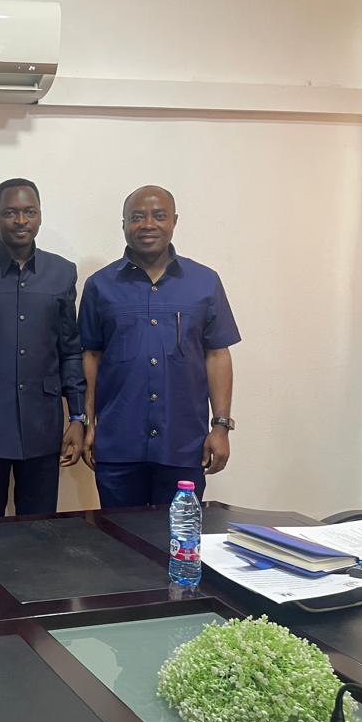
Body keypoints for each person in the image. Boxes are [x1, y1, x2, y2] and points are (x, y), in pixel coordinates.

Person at [78, 185, 240, 506]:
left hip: (184, 444)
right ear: (124, 224)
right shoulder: (99, 286)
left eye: (158, 216)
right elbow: (91, 356)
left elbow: (217, 354)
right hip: (118, 443)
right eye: (137, 217)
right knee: (118, 534)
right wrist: (88, 424)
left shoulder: (205, 282)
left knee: (178, 533)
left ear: (174, 221)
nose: (147, 224)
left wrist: (221, 426)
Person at [0, 178, 86, 518]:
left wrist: (78, 416)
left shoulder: (62, 273)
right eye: (10, 212)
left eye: (29, 212)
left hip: (43, 427)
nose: (21, 221)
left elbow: (70, 350)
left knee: (39, 531)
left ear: (40, 216)